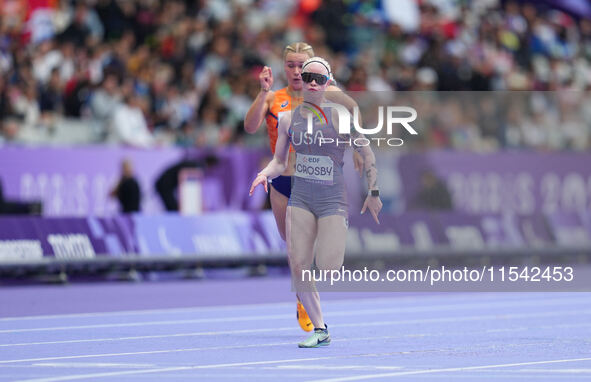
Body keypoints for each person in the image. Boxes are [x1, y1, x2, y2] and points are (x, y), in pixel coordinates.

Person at [249, 57, 382, 347]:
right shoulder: (288, 121)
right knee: (298, 263)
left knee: (329, 264)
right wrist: (264, 174)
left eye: (318, 79)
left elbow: (367, 153)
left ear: (328, 84)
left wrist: (373, 191)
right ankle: (320, 329)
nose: (311, 82)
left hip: (332, 198)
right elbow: (279, 161)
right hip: (301, 197)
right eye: (307, 76)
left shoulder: (340, 117)